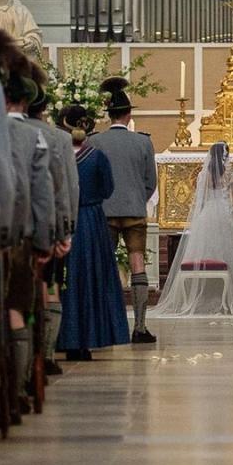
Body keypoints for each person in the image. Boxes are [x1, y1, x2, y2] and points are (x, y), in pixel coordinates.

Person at [57, 104, 129, 359]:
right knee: (89, 279)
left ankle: (63, 337)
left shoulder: (59, 154)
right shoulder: (96, 157)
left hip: (65, 217)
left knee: (66, 281)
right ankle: (87, 338)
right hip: (90, 219)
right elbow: (107, 188)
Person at [152, 141, 233, 317]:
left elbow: (199, 201)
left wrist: (200, 217)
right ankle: (231, 299)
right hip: (226, 216)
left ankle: (203, 296)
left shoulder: (203, 175)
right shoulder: (231, 176)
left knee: (205, 254)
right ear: (225, 156)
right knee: (229, 255)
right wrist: (228, 208)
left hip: (207, 216)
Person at [89, 77, 157, 343]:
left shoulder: (95, 142)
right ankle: (139, 327)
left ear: (108, 115)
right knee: (137, 262)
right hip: (133, 210)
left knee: (105, 266)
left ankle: (107, 325)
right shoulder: (143, 142)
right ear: (129, 115)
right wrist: (138, 198)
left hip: (104, 211)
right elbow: (151, 181)